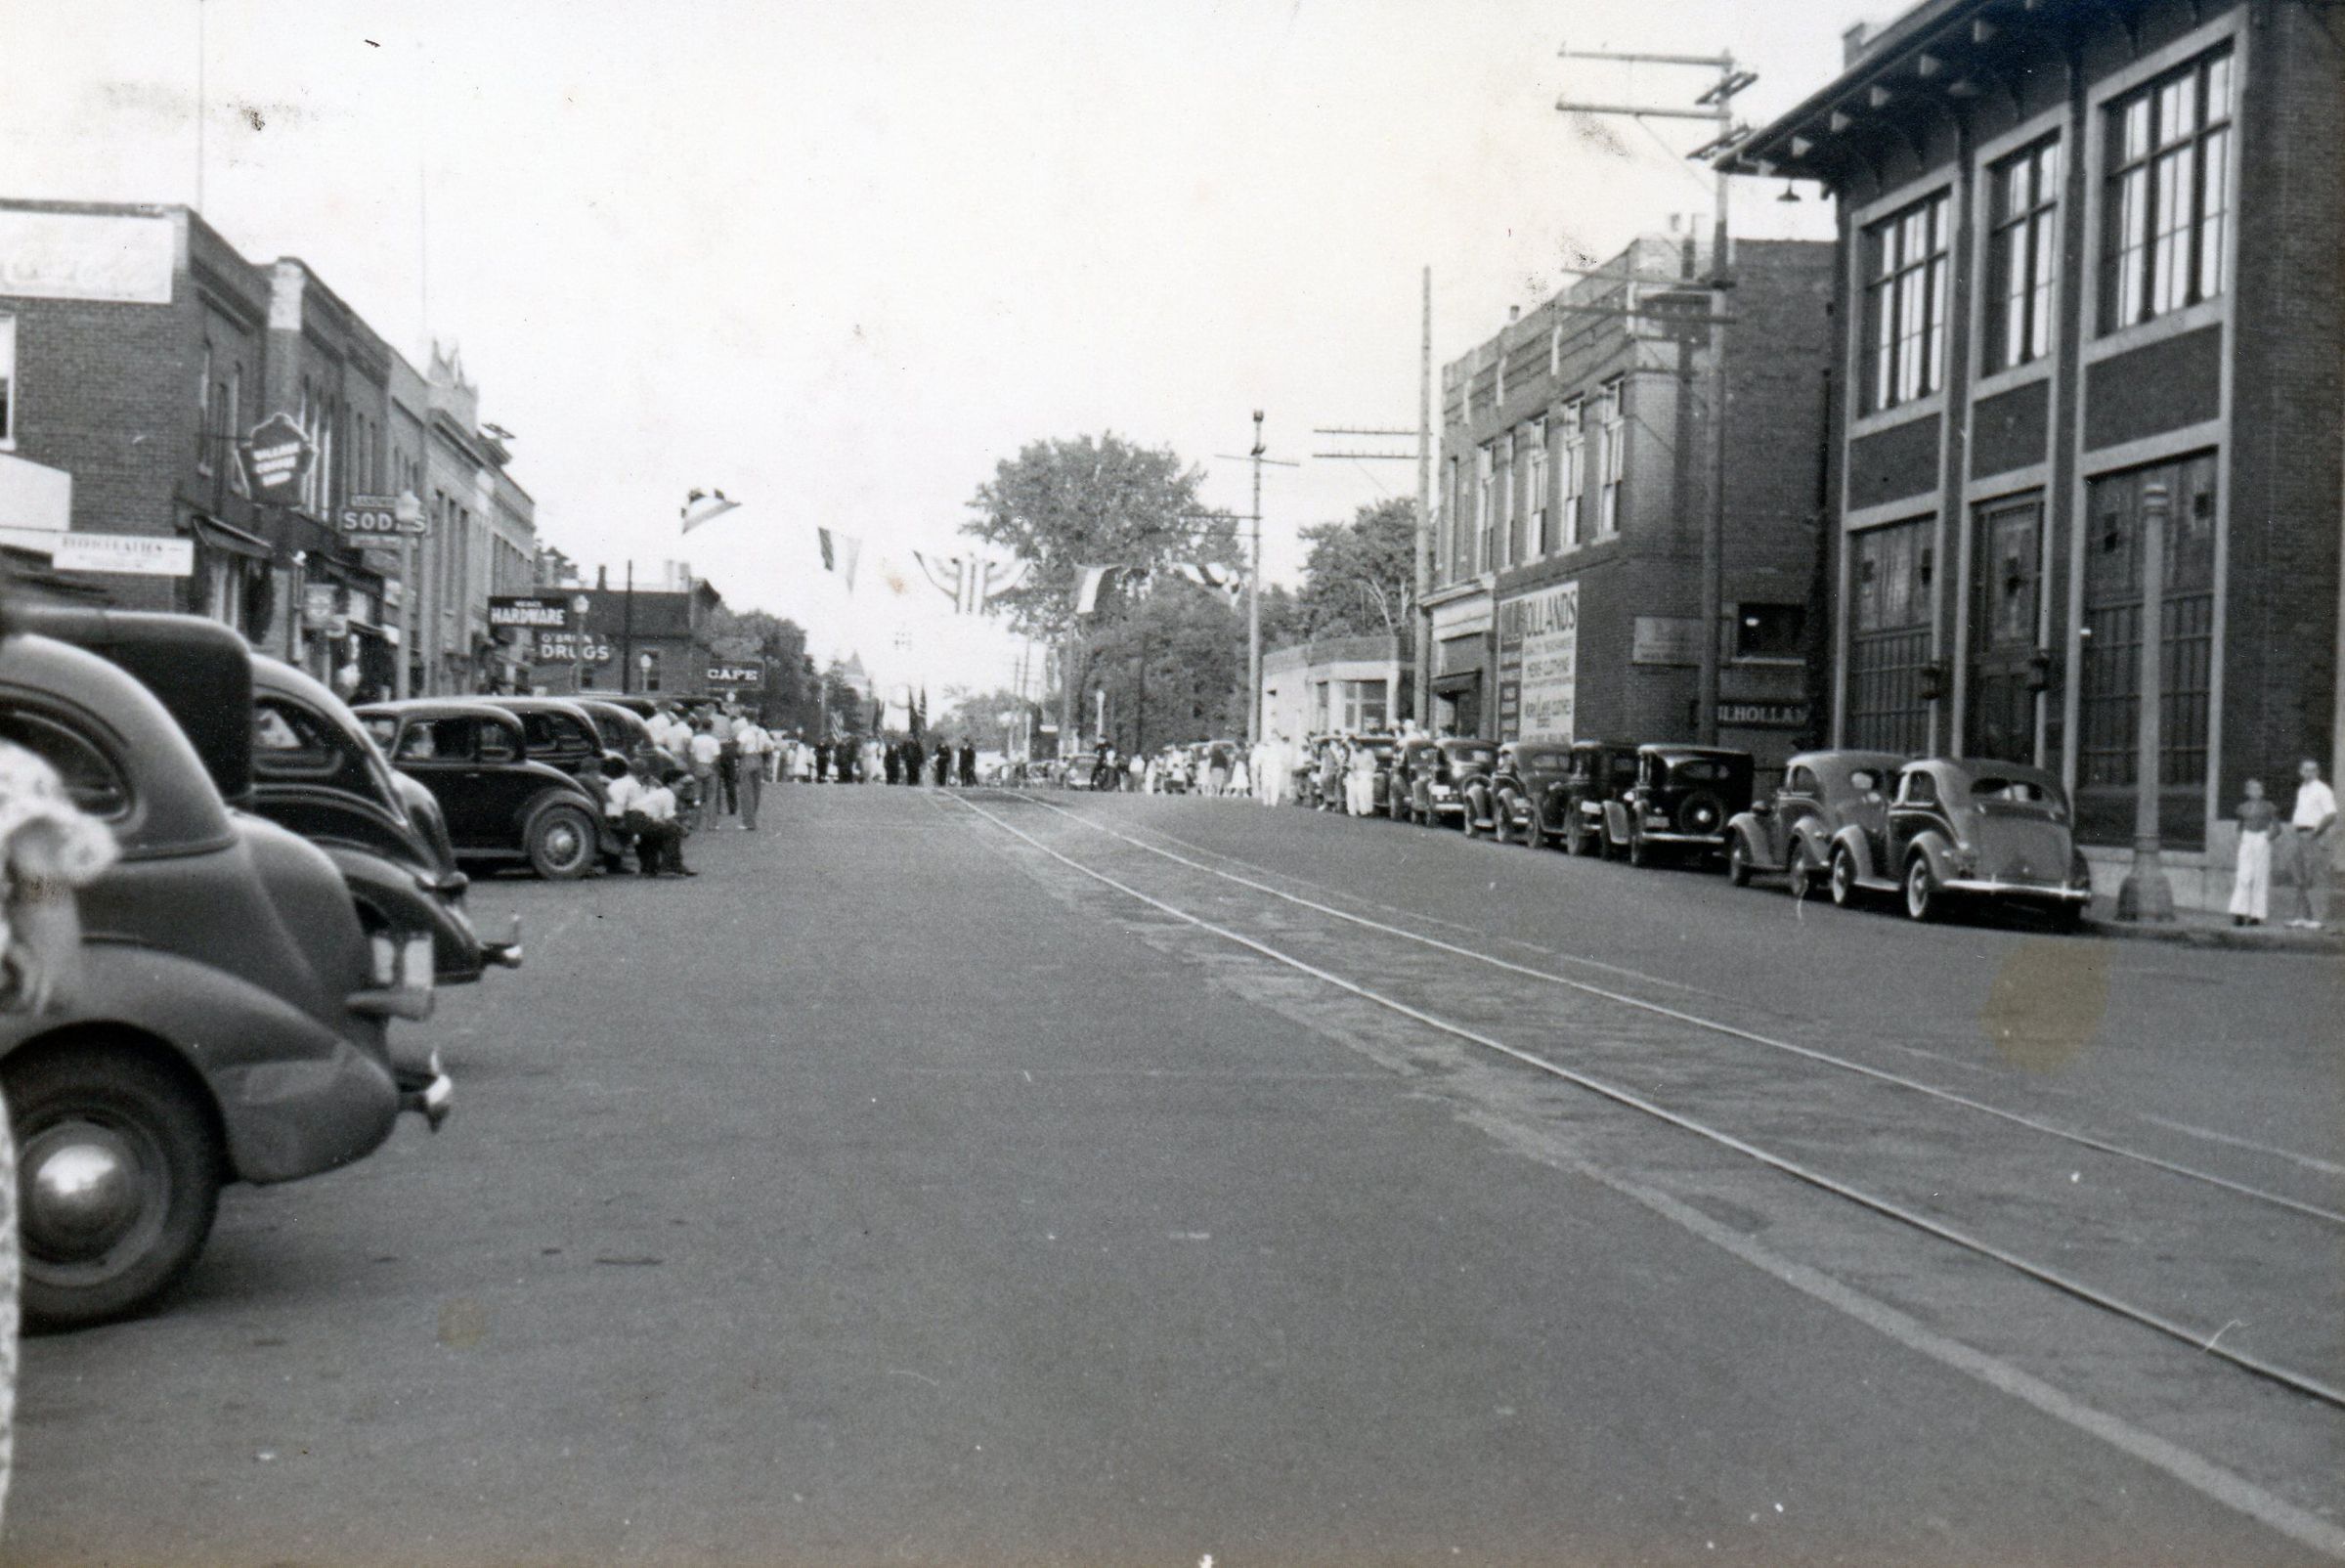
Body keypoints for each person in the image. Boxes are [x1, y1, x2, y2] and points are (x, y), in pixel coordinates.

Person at [2285, 759, 2336, 930]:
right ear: (2301, 772)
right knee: (2300, 876)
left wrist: (2315, 833)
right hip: (2299, 834)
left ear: (2318, 772)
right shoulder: (2302, 790)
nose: (2309, 773)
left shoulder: (2322, 790)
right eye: (2306, 770)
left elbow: (2331, 815)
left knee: (2315, 875)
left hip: (2314, 834)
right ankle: (2302, 917)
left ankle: (2317, 918)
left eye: (2313, 770)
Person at [2230, 778, 2278, 927]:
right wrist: (2241, 838)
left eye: (2258, 789)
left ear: (2262, 791)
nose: (2255, 791)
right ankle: (2239, 913)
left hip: (2261, 838)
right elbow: (2239, 826)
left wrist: (2267, 837)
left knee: (2259, 876)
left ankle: (2256, 915)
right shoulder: (2242, 808)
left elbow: (2277, 827)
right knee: (2243, 875)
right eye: (2252, 789)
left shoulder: (2269, 807)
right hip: (2247, 838)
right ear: (2247, 791)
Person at [734, 716, 771, 829]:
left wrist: (738, 754)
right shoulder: (763, 732)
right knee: (756, 791)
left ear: (747, 721)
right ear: (756, 720)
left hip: (747, 759)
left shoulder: (744, 732)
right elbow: (768, 748)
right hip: (758, 759)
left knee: (746, 792)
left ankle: (748, 822)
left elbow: (740, 749)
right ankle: (753, 817)